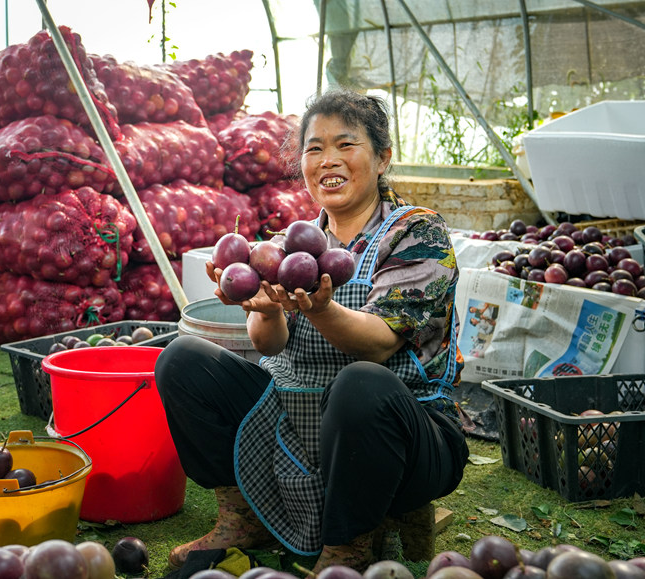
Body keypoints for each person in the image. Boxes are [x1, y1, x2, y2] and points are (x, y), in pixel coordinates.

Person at [155, 88, 470, 574]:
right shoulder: (292, 243)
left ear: (382, 158)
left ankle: (348, 545)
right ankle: (243, 516)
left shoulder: (417, 233)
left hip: (405, 432)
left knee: (361, 383)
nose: (329, 160)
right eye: (315, 148)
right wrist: (264, 309)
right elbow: (269, 344)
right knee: (182, 360)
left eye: (346, 145)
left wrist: (320, 309)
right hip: (299, 416)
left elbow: (379, 343)